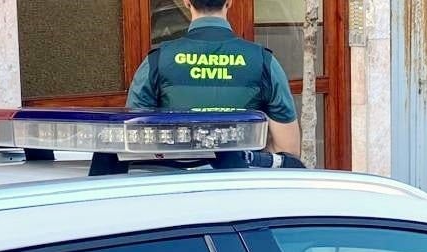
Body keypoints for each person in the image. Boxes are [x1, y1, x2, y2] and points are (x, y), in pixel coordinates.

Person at [127, 0, 302, 159]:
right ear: (230, 2)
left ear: (187, 2)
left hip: (177, 187)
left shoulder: (157, 61)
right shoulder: (264, 62)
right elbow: (287, 150)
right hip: (241, 185)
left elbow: (133, 142)